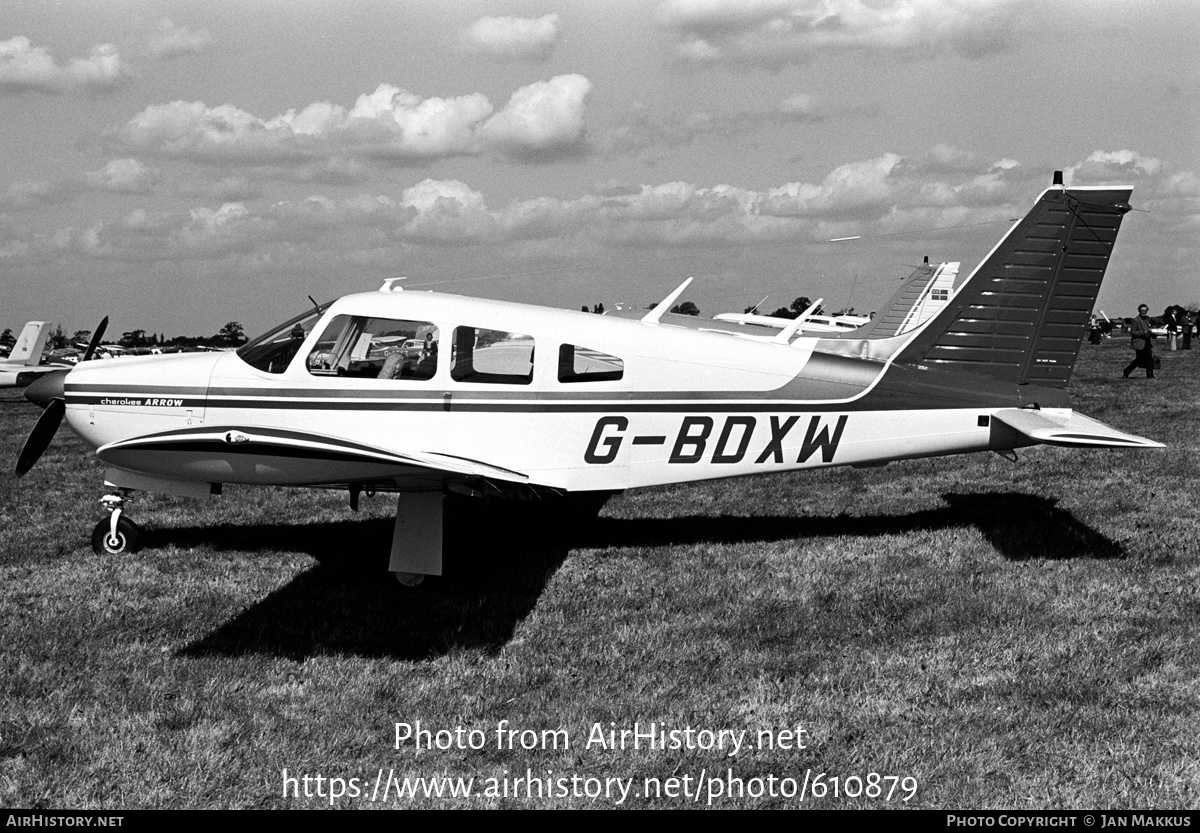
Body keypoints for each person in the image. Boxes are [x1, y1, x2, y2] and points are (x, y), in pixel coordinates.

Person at [1123, 304, 1156, 379]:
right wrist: (1143, 332)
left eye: (1145, 310)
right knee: (1139, 360)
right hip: (1139, 342)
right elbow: (1133, 332)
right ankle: (1126, 371)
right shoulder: (1135, 320)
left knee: (1149, 359)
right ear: (1139, 311)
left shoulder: (1147, 319)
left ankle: (1150, 375)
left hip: (1147, 342)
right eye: (1142, 310)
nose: (1143, 312)